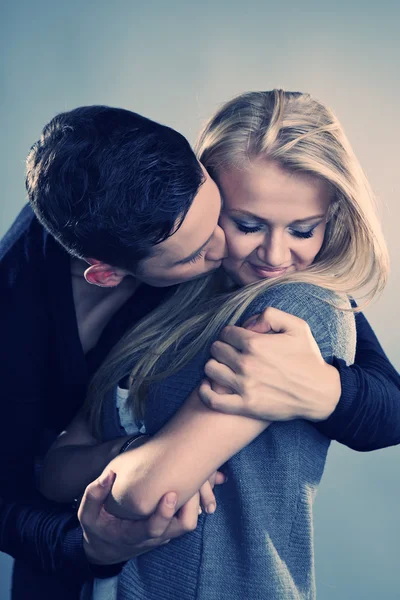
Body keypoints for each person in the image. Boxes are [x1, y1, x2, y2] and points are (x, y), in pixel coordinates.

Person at [1, 99, 399, 600]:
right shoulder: (26, 309)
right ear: (106, 271)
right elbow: (25, 484)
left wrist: (328, 393)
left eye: (302, 229)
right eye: (244, 225)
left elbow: (390, 400)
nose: (266, 257)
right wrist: (84, 546)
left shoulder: (286, 294)